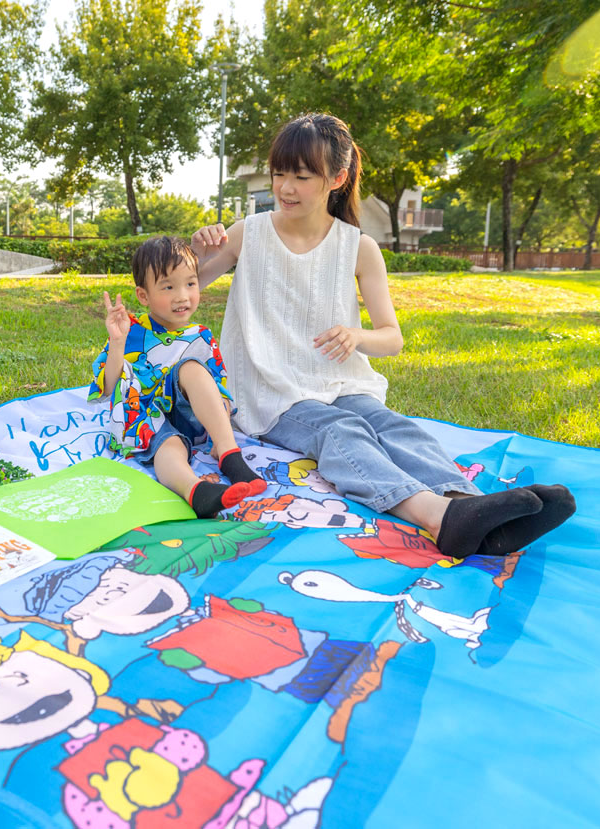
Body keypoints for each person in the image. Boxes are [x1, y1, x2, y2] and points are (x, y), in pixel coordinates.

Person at [190, 113, 575, 558]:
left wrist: (357, 336)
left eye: (301, 176)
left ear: (336, 177)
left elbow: (392, 338)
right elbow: (181, 295)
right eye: (279, 174)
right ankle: (437, 516)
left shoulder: (358, 247)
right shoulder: (248, 234)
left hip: (339, 381)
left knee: (394, 427)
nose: (285, 188)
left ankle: (471, 507)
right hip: (269, 392)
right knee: (341, 430)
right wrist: (198, 254)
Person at [89, 236, 266, 518]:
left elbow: (218, 388)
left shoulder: (201, 336)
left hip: (191, 418)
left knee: (192, 368)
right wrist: (118, 343)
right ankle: (196, 492)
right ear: (144, 295)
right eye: (168, 287)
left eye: (190, 284)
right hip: (147, 420)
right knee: (168, 447)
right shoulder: (131, 331)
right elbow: (108, 388)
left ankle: (229, 454)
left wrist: (220, 418)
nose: (182, 295)